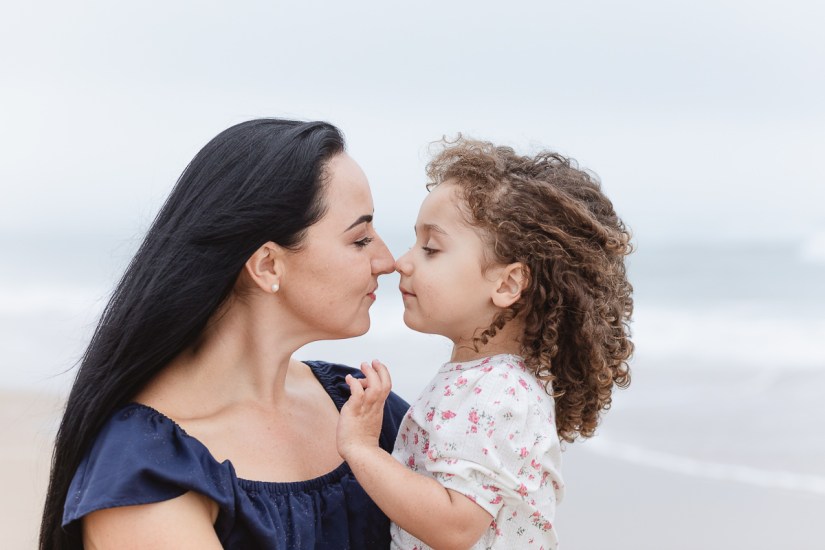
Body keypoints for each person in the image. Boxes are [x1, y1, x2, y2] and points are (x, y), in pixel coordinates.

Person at [39, 118, 410, 549]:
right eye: (361, 239)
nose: (388, 261)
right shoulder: (148, 468)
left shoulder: (361, 407)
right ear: (268, 265)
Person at [336, 137, 634, 549]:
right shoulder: (484, 381)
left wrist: (361, 448)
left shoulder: (499, 394)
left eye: (431, 249)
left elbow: (455, 526)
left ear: (508, 283)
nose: (403, 262)